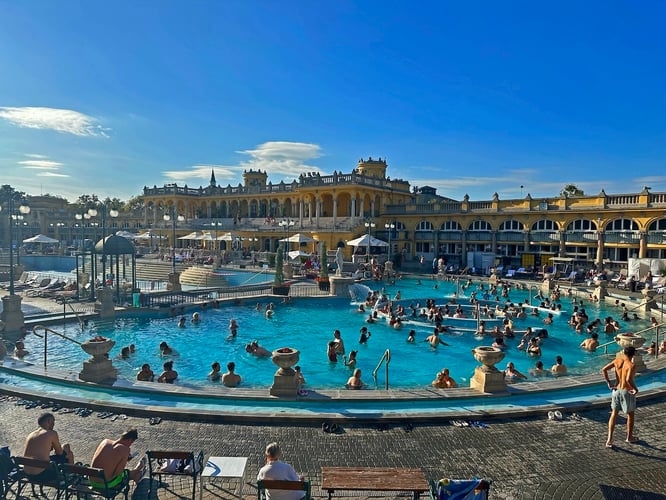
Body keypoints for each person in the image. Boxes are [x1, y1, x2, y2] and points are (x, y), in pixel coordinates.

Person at [602, 346, 639, 447]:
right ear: (633, 354)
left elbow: (604, 369)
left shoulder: (617, 360)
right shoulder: (631, 365)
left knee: (614, 414)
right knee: (630, 414)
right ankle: (629, 437)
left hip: (616, 390)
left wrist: (609, 382)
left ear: (624, 352)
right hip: (626, 391)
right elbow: (628, 380)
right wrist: (636, 389)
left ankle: (609, 439)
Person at [23, 413, 74, 478]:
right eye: (53, 421)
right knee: (67, 449)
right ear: (49, 421)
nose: (54, 424)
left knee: (66, 448)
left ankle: (71, 473)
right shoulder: (51, 433)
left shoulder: (31, 435)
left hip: (27, 474)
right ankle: (71, 475)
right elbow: (60, 453)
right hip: (42, 474)